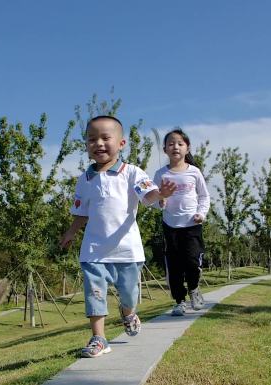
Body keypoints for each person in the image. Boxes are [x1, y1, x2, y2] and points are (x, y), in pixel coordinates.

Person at [60, 115, 176, 358]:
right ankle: (99, 338)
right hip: (94, 250)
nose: (98, 143)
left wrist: (160, 193)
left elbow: (148, 196)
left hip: (127, 251)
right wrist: (70, 232)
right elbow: (81, 213)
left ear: (121, 144)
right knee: (94, 294)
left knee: (129, 294)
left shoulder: (131, 172)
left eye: (105, 138)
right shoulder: (85, 180)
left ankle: (128, 311)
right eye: (92, 139)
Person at [153, 128, 210, 316]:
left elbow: (204, 196)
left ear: (187, 148)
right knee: (174, 267)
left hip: (192, 225)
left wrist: (201, 213)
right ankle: (179, 301)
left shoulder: (194, 172)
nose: (175, 146)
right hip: (171, 227)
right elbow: (152, 199)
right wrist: (160, 201)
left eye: (180, 143)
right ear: (165, 150)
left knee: (193, 263)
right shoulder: (161, 174)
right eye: (171, 143)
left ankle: (194, 289)